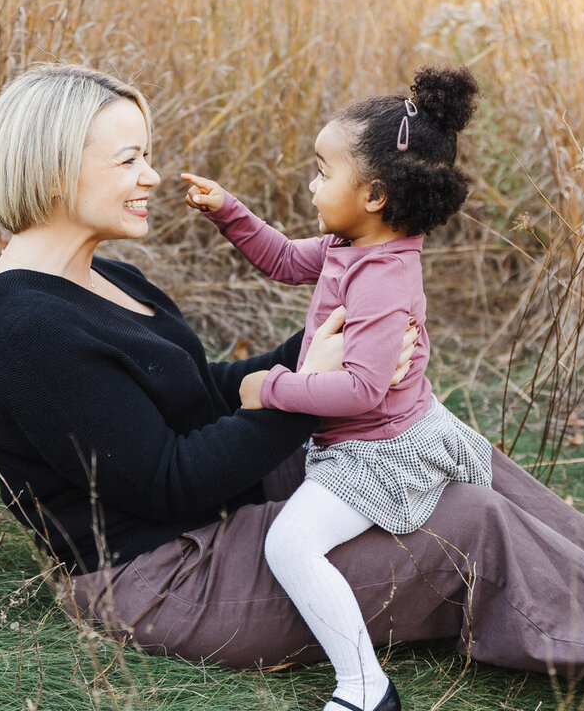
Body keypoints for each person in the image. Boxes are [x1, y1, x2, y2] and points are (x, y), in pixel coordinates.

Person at [0, 62, 584, 711]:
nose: (152, 175)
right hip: (165, 571)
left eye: (147, 154)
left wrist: (350, 362)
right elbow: (163, 481)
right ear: (52, 168)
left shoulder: (102, 276)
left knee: (432, 447)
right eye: (129, 159)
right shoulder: (28, 331)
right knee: (462, 522)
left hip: (210, 504)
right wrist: (304, 387)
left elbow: (198, 391)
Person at [180, 65, 495, 711]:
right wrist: (229, 212)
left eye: (324, 172)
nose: (312, 184)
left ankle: (364, 687)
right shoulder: (351, 243)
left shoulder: (384, 277)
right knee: (295, 531)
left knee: (289, 544)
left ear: (375, 194)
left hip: (377, 450)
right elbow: (286, 260)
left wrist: (273, 388)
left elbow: (360, 393)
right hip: (359, 436)